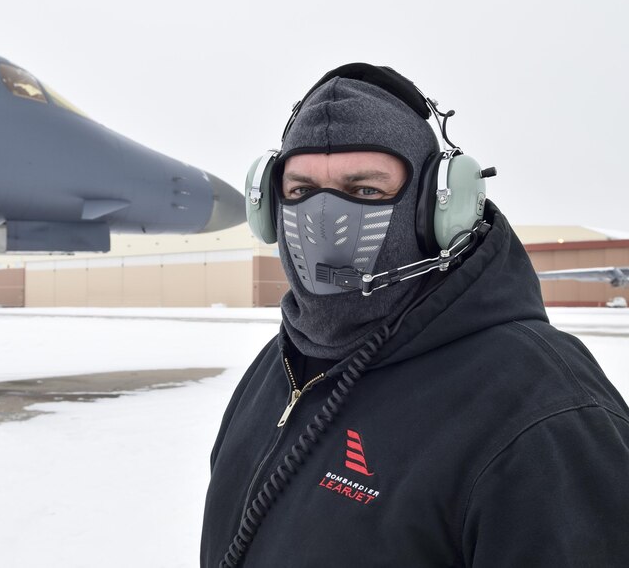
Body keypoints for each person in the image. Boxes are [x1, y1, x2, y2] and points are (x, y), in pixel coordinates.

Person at [200, 63, 629, 567]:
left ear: (438, 211)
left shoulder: (544, 409)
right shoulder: (279, 367)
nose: (321, 221)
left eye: (365, 192)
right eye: (299, 192)